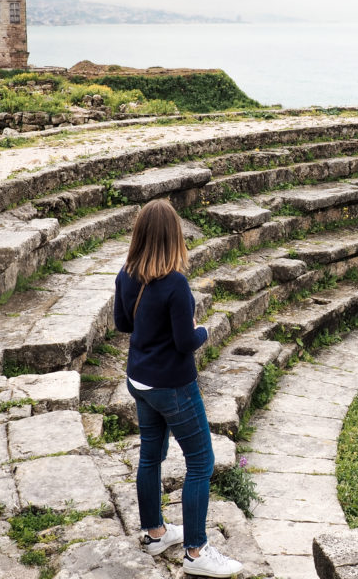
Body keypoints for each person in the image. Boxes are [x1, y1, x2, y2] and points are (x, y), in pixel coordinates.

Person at [114, 199, 244, 577]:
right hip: (172, 386)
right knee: (201, 462)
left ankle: (155, 533)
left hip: (139, 380)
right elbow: (186, 341)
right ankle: (196, 551)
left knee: (151, 456)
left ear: (139, 235)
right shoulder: (175, 284)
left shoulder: (126, 274)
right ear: (175, 238)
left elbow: (124, 323)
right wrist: (202, 328)